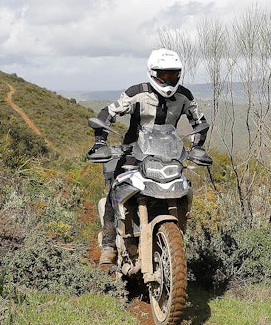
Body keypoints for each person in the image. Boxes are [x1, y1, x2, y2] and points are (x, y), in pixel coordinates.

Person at [87, 48, 210, 267]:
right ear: (152, 73)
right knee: (115, 189)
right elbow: (109, 112)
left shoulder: (184, 96)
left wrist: (197, 147)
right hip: (134, 152)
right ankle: (108, 245)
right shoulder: (137, 93)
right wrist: (100, 142)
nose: (168, 80)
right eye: (163, 75)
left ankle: (175, 241)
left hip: (169, 154)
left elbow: (199, 122)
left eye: (173, 74)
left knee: (184, 189)